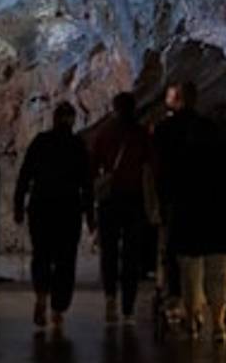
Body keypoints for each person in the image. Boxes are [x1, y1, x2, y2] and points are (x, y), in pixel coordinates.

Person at [152, 82, 226, 339]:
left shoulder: (168, 134)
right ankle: (217, 324)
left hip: (187, 210)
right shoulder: (220, 135)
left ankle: (193, 317)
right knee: (217, 271)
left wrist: (162, 205)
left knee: (189, 269)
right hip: (220, 213)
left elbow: (162, 175)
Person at [15, 102, 92, 332]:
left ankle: (41, 296)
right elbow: (86, 184)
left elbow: (24, 175)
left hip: (42, 207)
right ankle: (58, 308)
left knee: (42, 255)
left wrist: (19, 205)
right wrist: (90, 214)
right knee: (65, 260)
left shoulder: (41, 142)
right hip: (68, 209)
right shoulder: (77, 145)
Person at [89, 91, 154, 324]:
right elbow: (150, 164)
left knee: (109, 251)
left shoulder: (104, 134)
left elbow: (92, 167)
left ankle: (110, 299)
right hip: (133, 199)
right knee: (131, 254)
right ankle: (128, 307)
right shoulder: (140, 134)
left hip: (109, 200)